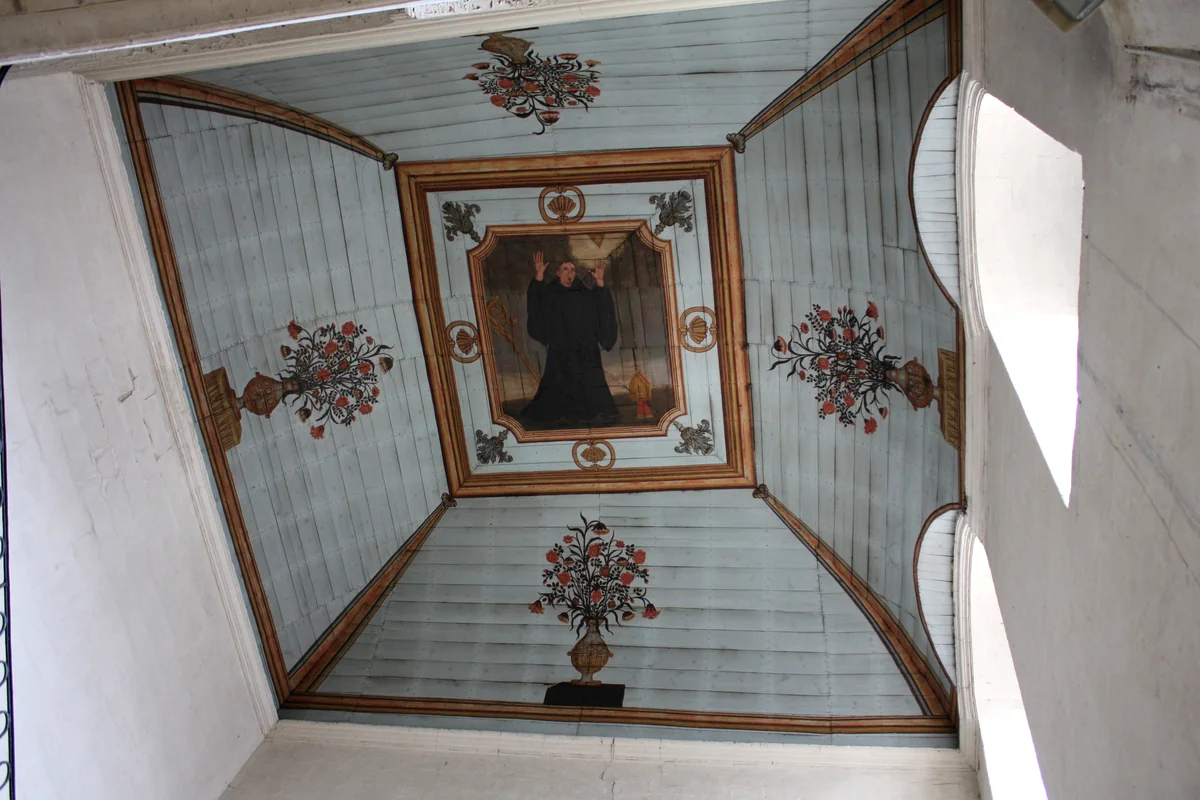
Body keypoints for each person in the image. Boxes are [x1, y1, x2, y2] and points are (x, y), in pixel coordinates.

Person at [522, 251, 619, 426]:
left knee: (590, 379)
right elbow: (536, 303)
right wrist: (539, 275)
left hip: (586, 348)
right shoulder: (550, 293)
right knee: (559, 381)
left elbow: (602, 307)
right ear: (558, 273)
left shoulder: (584, 293)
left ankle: (595, 411)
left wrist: (599, 282)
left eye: (572, 270)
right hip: (561, 348)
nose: (570, 273)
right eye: (565, 269)